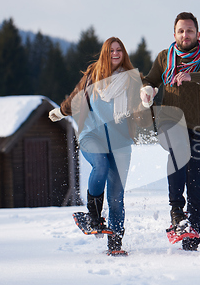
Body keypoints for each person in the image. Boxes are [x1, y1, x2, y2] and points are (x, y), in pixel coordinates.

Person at [141, 12, 200, 251]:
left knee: (197, 184)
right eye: (181, 31)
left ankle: (191, 236)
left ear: (198, 34)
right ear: (174, 34)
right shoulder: (164, 57)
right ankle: (176, 212)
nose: (185, 35)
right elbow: (149, 79)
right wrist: (147, 90)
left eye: (189, 30)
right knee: (179, 152)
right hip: (171, 122)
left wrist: (194, 76)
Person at [49, 37, 143, 256]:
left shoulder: (131, 80)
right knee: (99, 166)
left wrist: (146, 104)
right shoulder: (93, 74)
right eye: (111, 50)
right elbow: (76, 96)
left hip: (120, 143)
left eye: (119, 50)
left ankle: (115, 243)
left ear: (124, 53)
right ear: (104, 53)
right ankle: (93, 216)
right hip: (92, 135)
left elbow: (140, 104)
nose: (115, 54)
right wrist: (61, 111)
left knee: (116, 197)